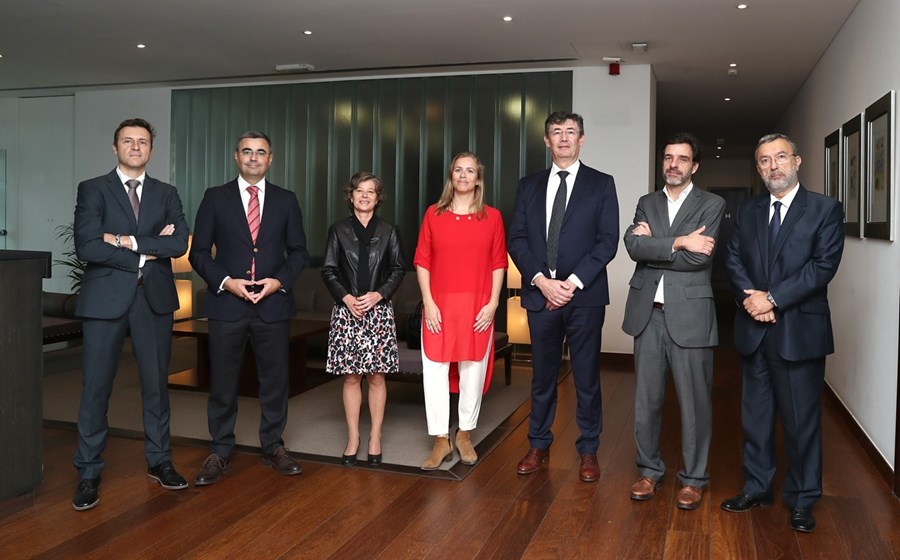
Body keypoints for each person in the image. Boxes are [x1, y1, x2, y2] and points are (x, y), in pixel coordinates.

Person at [721, 133, 844, 533]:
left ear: (798, 160)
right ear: (758, 168)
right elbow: (733, 257)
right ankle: (757, 488)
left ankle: (803, 499)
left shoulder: (824, 209)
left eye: (780, 157)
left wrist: (771, 298)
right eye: (764, 161)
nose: (773, 166)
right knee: (755, 419)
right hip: (753, 330)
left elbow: (822, 266)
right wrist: (750, 300)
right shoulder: (748, 209)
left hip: (798, 331)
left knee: (800, 422)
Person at [71, 118, 190, 511]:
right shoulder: (93, 190)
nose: (135, 147)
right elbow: (88, 246)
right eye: (128, 141)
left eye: (142, 142)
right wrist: (144, 252)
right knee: (96, 389)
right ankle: (88, 472)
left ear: (151, 150)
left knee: (156, 386)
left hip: (153, 301)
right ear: (115, 147)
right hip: (105, 301)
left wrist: (123, 240)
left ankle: (160, 461)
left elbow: (176, 244)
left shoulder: (166, 192)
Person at [189, 131, 309, 485]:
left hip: (273, 305)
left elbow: (299, 252)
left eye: (261, 152)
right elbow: (199, 253)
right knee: (223, 381)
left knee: (274, 381)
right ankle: (221, 449)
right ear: (236, 156)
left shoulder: (286, 200)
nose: (254, 158)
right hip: (228, 304)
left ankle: (273, 445)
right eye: (247, 152)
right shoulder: (215, 197)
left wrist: (279, 282)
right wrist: (226, 281)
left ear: (271, 159)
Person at [508, 111, 619, 482]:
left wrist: (570, 283)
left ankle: (588, 449)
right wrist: (541, 281)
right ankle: (538, 443)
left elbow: (607, 242)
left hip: (583, 298)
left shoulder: (602, 184)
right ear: (547, 140)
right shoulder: (529, 186)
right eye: (557, 132)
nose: (564, 138)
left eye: (571, 132)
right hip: (541, 297)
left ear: (582, 139)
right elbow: (517, 239)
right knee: (542, 377)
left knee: (586, 376)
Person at [622, 133, 725, 509]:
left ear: (694, 166)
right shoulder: (646, 202)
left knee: (695, 403)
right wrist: (681, 241)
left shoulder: (712, 203)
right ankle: (649, 471)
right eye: (668, 157)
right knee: (646, 401)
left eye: (682, 159)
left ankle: (694, 479)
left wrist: (657, 244)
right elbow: (632, 246)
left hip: (692, 316)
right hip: (647, 315)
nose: (673, 165)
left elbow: (702, 259)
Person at [413, 151, 507, 470]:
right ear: (451, 176)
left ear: (478, 179)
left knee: (472, 369)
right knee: (435, 372)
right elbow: (422, 261)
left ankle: (465, 434)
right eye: (458, 170)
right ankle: (441, 439)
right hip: (439, 306)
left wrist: (493, 304)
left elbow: (498, 263)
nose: (464, 176)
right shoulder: (433, 215)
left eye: (470, 171)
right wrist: (428, 302)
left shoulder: (492, 217)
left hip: (477, 306)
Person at [321, 172, 405, 467]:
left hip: (378, 311)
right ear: (351, 195)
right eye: (360, 190)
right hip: (347, 311)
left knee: (377, 376)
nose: (365, 195)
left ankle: (375, 437)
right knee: (352, 376)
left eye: (371, 191)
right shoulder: (338, 230)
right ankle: (354, 437)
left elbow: (397, 269)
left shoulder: (389, 230)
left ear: (378, 197)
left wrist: (378, 296)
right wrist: (345, 298)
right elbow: (329, 270)